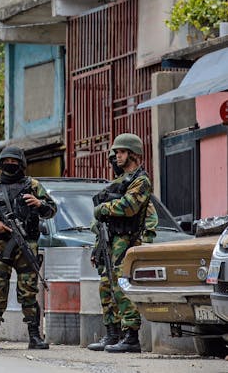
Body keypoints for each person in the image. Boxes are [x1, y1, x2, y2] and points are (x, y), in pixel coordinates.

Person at [0, 146, 57, 350]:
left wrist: (39, 203)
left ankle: (34, 336)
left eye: (14, 161)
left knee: (29, 291)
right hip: (0, 247)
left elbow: (52, 210)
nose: (10, 165)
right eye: (7, 161)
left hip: (26, 244)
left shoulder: (33, 185)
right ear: (0, 164)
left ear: (21, 164)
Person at [88, 148, 158, 352]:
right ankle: (112, 333)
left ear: (133, 153)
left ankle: (131, 336)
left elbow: (129, 206)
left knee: (121, 286)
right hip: (111, 240)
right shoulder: (120, 182)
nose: (117, 156)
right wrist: (97, 248)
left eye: (121, 152)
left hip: (127, 240)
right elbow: (102, 223)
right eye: (116, 153)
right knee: (105, 286)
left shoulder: (141, 181)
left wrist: (103, 208)